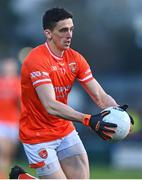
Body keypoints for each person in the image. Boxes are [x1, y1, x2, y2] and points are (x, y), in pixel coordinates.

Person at [9, 8, 133, 179]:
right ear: (48, 33)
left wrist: (120, 113)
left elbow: (99, 95)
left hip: (64, 129)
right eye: (63, 30)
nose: (69, 35)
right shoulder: (36, 60)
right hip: (37, 135)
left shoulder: (76, 59)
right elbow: (50, 105)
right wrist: (88, 119)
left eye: (71, 29)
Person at [0, 58, 21, 178]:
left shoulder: (18, 83)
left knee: (8, 154)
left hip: (14, 123)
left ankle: (5, 174)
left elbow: (21, 104)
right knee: (3, 151)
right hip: (1, 122)